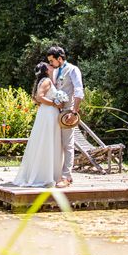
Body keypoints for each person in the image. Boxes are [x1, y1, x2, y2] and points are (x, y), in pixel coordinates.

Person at [12, 62, 64, 188]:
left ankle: (47, 172)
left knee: (45, 141)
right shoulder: (46, 81)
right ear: (46, 70)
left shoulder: (44, 81)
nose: (52, 66)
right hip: (49, 113)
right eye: (49, 65)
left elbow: (36, 99)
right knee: (47, 141)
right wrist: (54, 104)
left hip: (45, 113)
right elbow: (39, 97)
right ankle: (45, 175)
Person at [47, 46, 84, 188]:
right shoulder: (55, 71)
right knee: (56, 143)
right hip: (55, 111)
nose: (50, 63)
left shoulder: (73, 70)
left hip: (68, 113)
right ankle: (55, 173)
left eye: (52, 60)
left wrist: (74, 112)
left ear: (60, 59)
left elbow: (79, 90)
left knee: (68, 144)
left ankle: (66, 176)